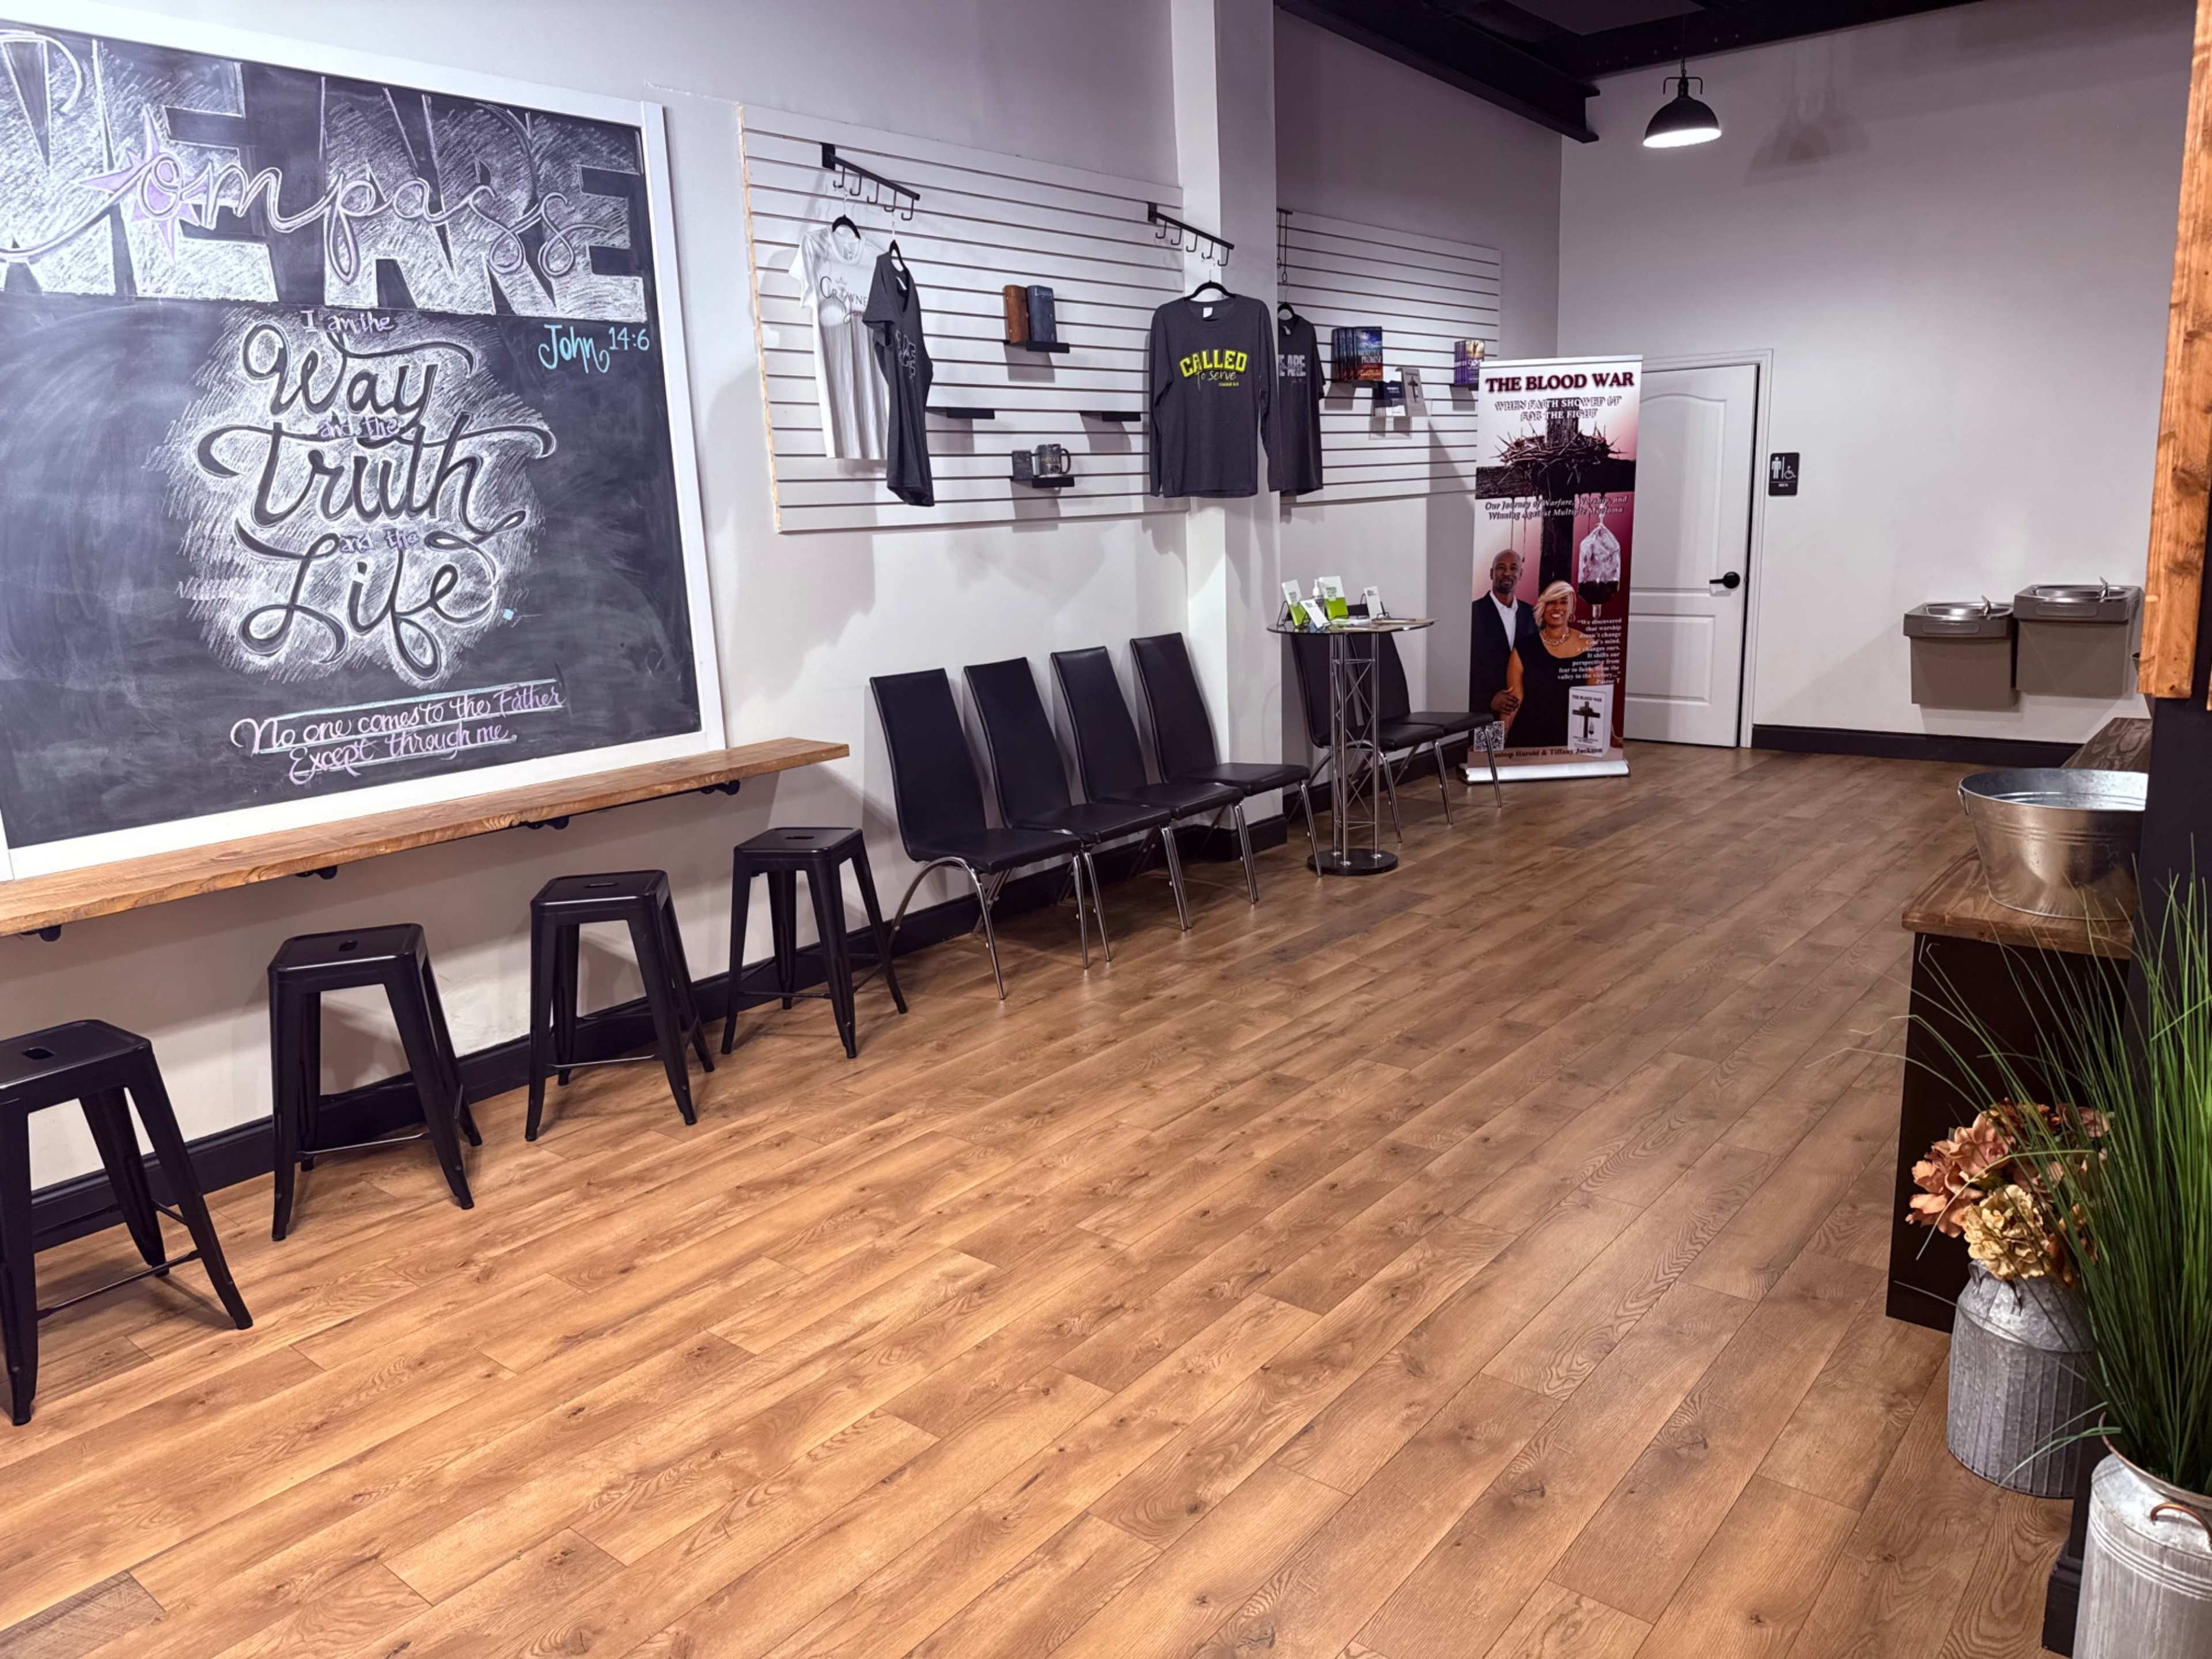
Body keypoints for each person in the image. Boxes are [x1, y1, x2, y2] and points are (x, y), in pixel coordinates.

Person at [1505, 580, 1600, 750]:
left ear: (1572, 609)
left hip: (1572, 741)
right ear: (1543, 607)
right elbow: (1513, 701)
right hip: (1527, 741)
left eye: (1564, 602)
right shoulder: (1524, 647)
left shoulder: (1588, 645)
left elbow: (1598, 700)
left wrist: (1611, 737)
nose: (1557, 608)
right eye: (1551, 602)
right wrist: (1497, 739)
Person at [1470, 549, 1536, 723]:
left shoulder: (1533, 614)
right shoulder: (1471, 613)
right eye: (1501, 568)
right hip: (1484, 714)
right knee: (1488, 752)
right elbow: (1461, 667)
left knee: (1520, 752)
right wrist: (1487, 699)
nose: (1507, 573)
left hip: (1524, 716)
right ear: (1492, 574)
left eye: (1513, 568)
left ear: (1520, 574)